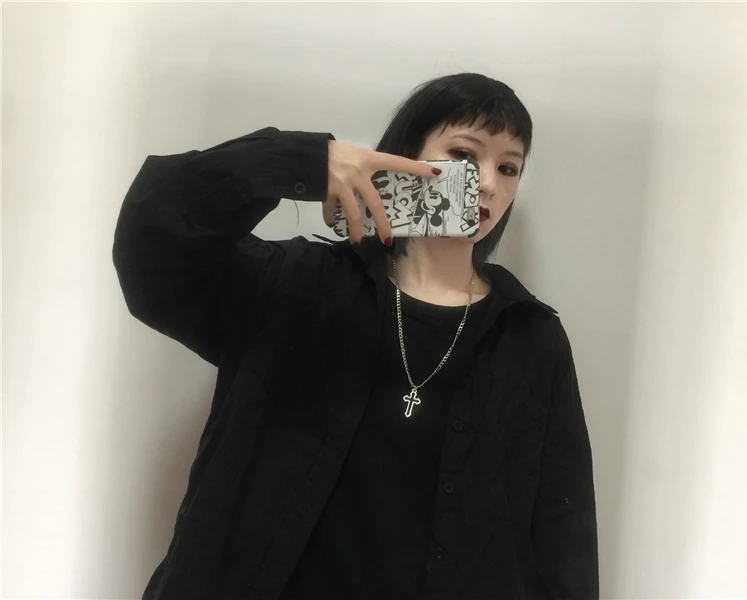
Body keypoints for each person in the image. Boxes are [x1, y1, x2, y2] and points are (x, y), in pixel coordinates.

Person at [113, 72, 599, 600]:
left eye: (509, 168)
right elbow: (154, 241)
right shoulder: (296, 287)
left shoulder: (530, 337)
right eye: (464, 155)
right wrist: (301, 163)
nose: (487, 184)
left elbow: (563, 539)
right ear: (402, 157)